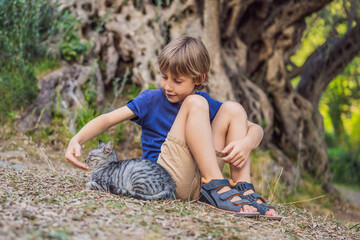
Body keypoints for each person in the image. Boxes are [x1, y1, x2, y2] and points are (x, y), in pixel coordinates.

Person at [65, 35, 281, 219]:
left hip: (201, 180)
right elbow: (108, 119)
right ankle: (217, 186)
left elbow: (254, 128)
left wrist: (246, 143)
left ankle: (242, 189)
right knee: (196, 104)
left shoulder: (202, 101)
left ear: (199, 79)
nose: (168, 86)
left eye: (177, 81)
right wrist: (77, 140)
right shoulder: (152, 100)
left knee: (234, 109)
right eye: (164, 77)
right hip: (165, 179)